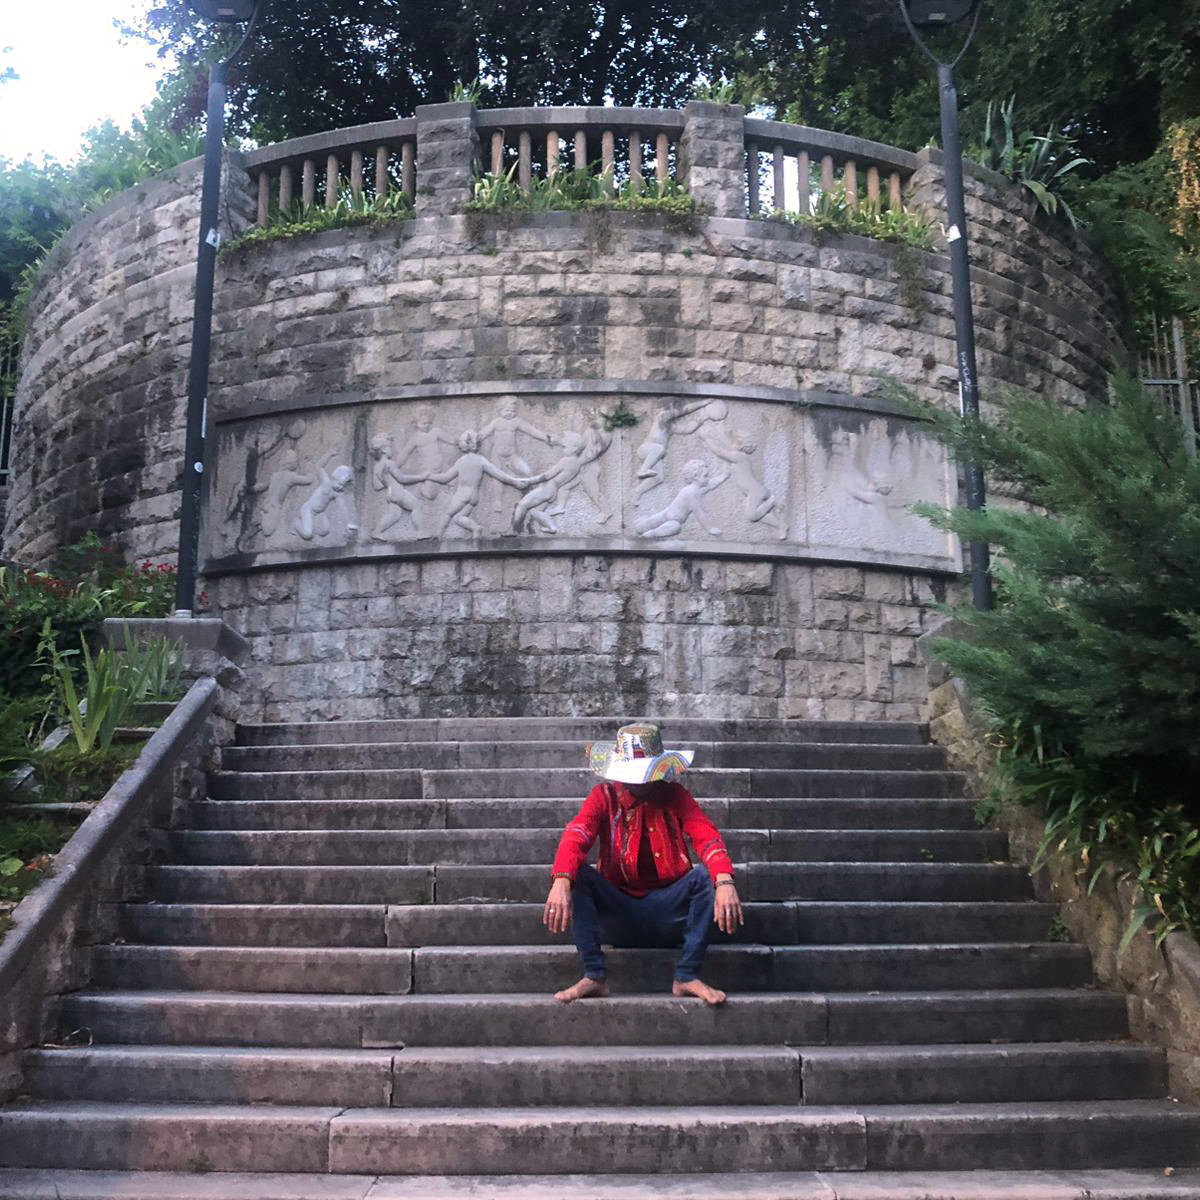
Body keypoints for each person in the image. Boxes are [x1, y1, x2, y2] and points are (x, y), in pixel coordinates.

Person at [543, 722, 744, 1006]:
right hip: (618, 911)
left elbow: (705, 834)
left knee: (705, 877)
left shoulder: (675, 796)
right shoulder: (604, 797)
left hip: (669, 911)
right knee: (579, 875)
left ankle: (686, 974)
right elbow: (577, 834)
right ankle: (594, 974)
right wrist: (562, 879)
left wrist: (724, 879)